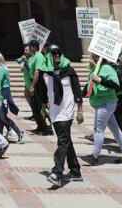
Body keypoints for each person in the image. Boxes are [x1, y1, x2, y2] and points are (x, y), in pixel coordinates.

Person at [81, 54, 122, 165]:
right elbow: (89, 85)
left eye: (93, 56)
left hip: (106, 103)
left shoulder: (107, 68)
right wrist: (78, 95)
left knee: (98, 130)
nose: (91, 57)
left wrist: (99, 79)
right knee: (116, 130)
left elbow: (116, 85)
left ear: (99, 58)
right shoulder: (96, 68)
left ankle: (95, 156)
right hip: (101, 103)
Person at [46, 50, 83, 186]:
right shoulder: (46, 72)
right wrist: (43, 108)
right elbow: (44, 91)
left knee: (62, 142)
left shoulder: (69, 70)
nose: (56, 56)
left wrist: (80, 110)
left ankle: (57, 173)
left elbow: (77, 90)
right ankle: (75, 171)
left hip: (66, 111)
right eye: (53, 54)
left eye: (59, 53)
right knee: (66, 140)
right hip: (54, 112)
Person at [0, 52, 23, 143]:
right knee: (1, 115)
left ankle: (19, 132)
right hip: (4, 92)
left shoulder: (1, 69)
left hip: (3, 93)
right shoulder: (3, 68)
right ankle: (0, 135)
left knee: (2, 116)